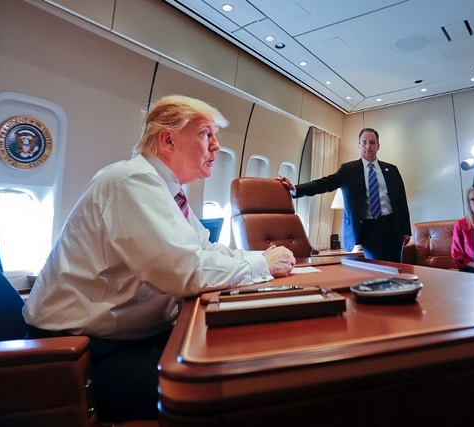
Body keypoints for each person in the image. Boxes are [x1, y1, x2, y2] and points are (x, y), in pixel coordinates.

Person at [22, 95, 295, 423]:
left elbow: (205, 248)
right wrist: (262, 265)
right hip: (84, 352)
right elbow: (187, 272)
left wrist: (259, 257)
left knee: (239, 352)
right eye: (206, 134)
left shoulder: (168, 191)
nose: (216, 146)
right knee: (223, 391)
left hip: (128, 337)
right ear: (168, 139)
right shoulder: (131, 182)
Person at [278, 128, 411, 262]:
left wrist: (406, 230)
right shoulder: (349, 170)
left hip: (392, 226)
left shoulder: (391, 170)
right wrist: (296, 189)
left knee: (396, 266)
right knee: (377, 265)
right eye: (364, 143)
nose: (368, 146)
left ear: (378, 146)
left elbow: (401, 201)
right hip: (368, 228)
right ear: (359, 146)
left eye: (372, 143)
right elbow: (325, 184)